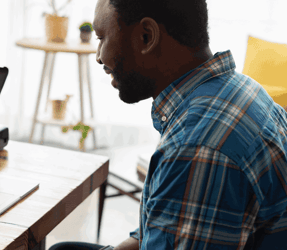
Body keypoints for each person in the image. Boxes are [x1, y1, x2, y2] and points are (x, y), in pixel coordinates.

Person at [49, 0, 287, 249]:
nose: (99, 57)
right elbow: (168, 227)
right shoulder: (241, 89)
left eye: (102, 37)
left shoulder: (197, 148)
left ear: (146, 36)